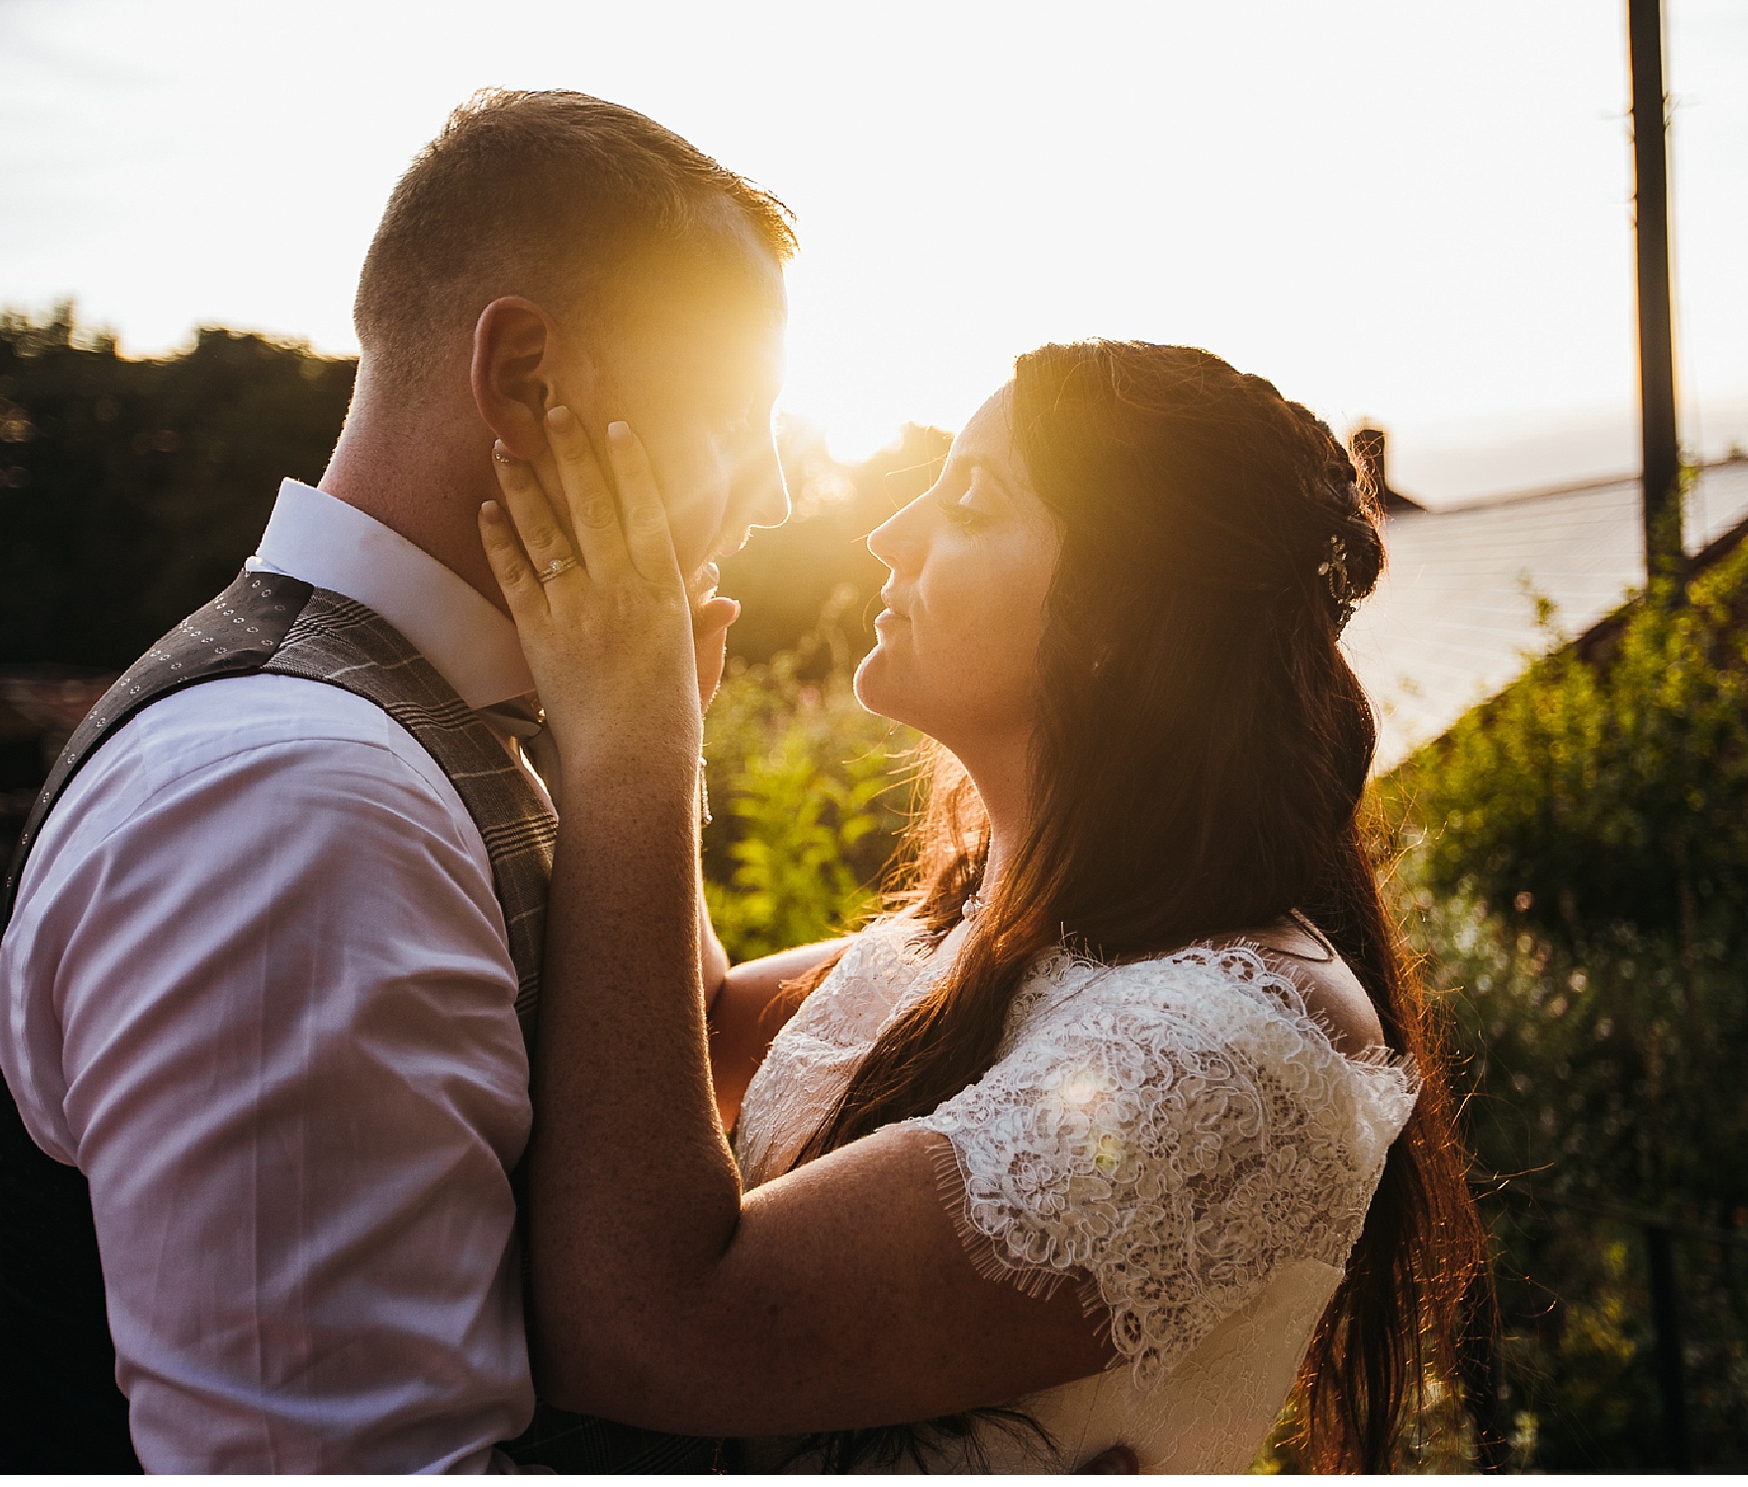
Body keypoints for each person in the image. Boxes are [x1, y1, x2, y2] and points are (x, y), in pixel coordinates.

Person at [0, 89, 797, 1472]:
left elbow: (673, 1047)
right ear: (528, 380)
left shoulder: (463, 724)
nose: (772, 496)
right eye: (736, 418)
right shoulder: (298, 806)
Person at [481, 340, 1493, 1471]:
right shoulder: (970, 928)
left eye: (967, 506)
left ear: (1117, 615)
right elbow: (688, 1028)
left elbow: (647, 1325)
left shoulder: (1225, 1051)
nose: (887, 533)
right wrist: (636, 698)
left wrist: (635, 741)